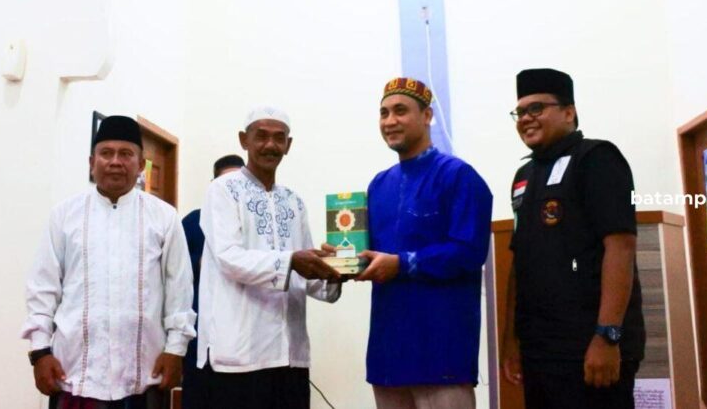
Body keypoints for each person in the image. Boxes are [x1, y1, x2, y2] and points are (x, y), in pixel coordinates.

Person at [22, 115, 196, 408]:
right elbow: (43, 288)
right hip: (75, 375)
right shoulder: (64, 216)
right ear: (92, 162)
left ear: (141, 165)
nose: (115, 161)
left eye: (126, 154)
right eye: (106, 153)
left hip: (144, 376)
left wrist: (176, 350)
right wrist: (40, 352)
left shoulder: (164, 218)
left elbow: (179, 290)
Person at [501, 68, 645, 409]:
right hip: (540, 350)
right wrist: (512, 341)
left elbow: (621, 247)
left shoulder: (598, 160)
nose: (525, 119)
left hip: (590, 348)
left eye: (536, 108)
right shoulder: (525, 175)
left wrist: (607, 335)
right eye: (519, 112)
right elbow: (520, 262)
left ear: (569, 112)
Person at [357, 78, 493, 409]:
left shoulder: (459, 176)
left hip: (441, 355)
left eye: (400, 111)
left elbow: (468, 252)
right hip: (388, 356)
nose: (390, 121)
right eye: (384, 113)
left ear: (427, 115)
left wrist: (402, 263)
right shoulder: (378, 185)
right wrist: (342, 260)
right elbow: (373, 256)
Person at [196, 106, 342, 409]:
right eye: (261, 136)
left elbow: (305, 271)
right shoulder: (222, 190)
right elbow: (228, 258)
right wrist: (291, 261)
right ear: (243, 140)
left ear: (289, 145)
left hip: (290, 354)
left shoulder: (294, 201)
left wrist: (336, 271)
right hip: (240, 354)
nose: (270, 145)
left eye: (279, 138)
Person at [181, 154, 245, 409]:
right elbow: (178, 282)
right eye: (223, 183)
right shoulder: (193, 224)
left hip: (244, 345)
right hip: (200, 344)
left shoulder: (254, 224)